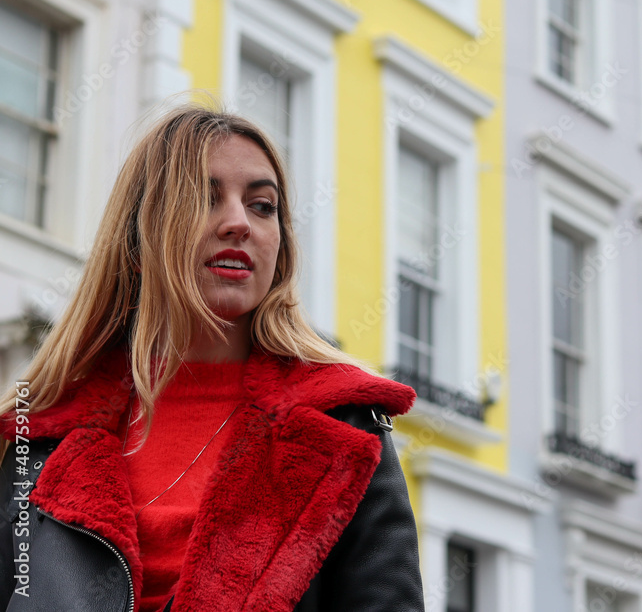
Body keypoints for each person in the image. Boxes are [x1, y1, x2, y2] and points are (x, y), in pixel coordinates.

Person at [0, 104, 425, 611]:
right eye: (204, 198)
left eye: (263, 206)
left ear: (282, 248)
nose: (239, 223)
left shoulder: (344, 425)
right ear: (139, 235)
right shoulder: (42, 432)